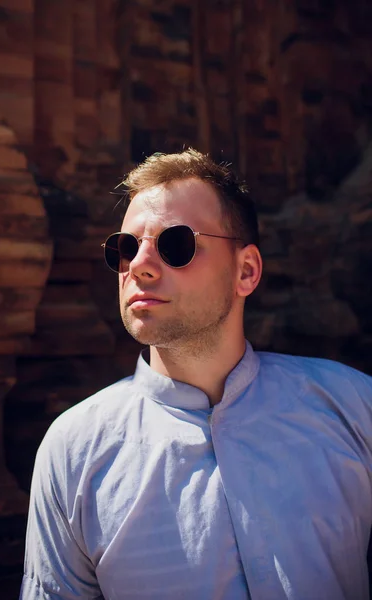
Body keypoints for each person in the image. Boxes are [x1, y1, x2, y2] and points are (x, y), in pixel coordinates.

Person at [20, 149, 372, 600]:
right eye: (125, 248)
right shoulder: (73, 450)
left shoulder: (351, 406)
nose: (140, 265)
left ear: (246, 271)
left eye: (175, 244)